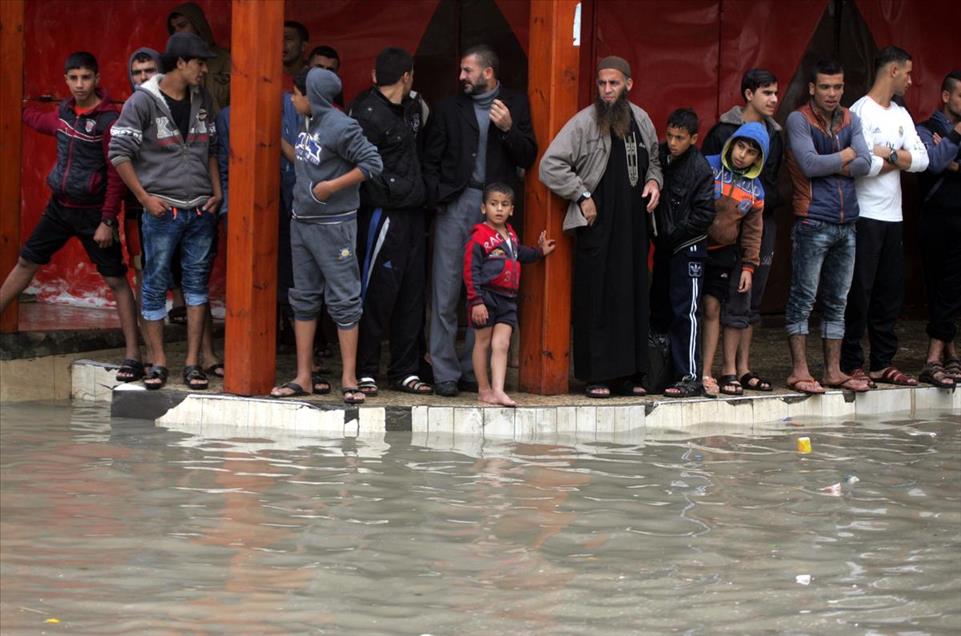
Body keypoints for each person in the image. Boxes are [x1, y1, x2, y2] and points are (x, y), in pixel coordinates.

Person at [1, 52, 142, 382]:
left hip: (94, 215)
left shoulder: (109, 121)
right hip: (59, 208)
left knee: (116, 281)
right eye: (74, 78)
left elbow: (115, 174)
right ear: (66, 80)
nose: (80, 84)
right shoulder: (63, 115)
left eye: (86, 78)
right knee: (26, 262)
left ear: (96, 79)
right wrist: (15, 104)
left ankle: (134, 354)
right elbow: (36, 120)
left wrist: (108, 220)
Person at [539, 55, 662, 398]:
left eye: (614, 83)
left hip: (634, 226)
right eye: (602, 84)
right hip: (597, 224)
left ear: (628, 85)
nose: (607, 90)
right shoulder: (583, 123)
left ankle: (632, 374)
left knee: (633, 294)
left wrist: (654, 182)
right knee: (598, 296)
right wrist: (581, 194)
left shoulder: (642, 119)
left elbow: (654, 161)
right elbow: (550, 166)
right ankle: (597, 376)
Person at [109, 32, 223, 391]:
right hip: (162, 211)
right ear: (181, 63)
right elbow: (118, 153)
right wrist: (144, 199)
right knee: (155, 285)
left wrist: (217, 192)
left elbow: (212, 148)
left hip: (201, 209)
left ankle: (192, 364)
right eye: (200, 62)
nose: (205, 69)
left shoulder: (202, 97)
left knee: (196, 287)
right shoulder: (141, 101)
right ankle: (158, 362)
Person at [421, 44, 537, 397]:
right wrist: (440, 198)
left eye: (467, 71)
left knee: (487, 289)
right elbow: (429, 160)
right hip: (457, 202)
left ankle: (473, 370)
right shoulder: (447, 108)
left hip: (495, 208)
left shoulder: (515, 104)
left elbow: (529, 155)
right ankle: (443, 371)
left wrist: (507, 129)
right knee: (445, 288)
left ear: (488, 72)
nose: (461, 77)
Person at [269, 68, 383, 404]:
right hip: (301, 222)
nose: (292, 99)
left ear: (313, 96)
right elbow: (308, 161)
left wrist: (331, 187)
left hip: (334, 225)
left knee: (344, 300)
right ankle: (303, 376)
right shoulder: (308, 122)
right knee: (303, 297)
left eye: (296, 94)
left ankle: (349, 378)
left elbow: (372, 163)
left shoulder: (340, 125)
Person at [784, 60, 873, 394]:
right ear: (812, 88)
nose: (832, 93)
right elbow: (808, 164)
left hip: (846, 222)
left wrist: (834, 163)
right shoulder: (799, 119)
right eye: (825, 87)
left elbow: (866, 164)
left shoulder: (852, 118)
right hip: (812, 219)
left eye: (837, 87)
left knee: (838, 300)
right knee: (803, 299)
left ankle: (833, 371)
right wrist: (847, 154)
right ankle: (799, 371)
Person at [843, 46, 929, 386]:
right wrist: (895, 158)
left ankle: (882, 362)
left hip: (894, 217)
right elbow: (861, 166)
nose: (911, 79)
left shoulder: (902, 114)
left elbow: (923, 160)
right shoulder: (858, 112)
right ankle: (852, 363)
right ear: (892, 71)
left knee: (889, 292)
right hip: (864, 215)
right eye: (907, 73)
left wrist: (887, 152)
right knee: (858, 291)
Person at [349, 48, 432, 396]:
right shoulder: (365, 112)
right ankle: (365, 369)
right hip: (382, 214)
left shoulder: (414, 108)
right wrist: (394, 193)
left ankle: (404, 369)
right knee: (377, 292)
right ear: (407, 76)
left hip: (414, 213)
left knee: (412, 292)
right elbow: (360, 165)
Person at [701, 68, 784, 393]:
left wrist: (749, 261)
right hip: (707, 246)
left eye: (777, 93)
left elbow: (771, 187)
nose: (774, 99)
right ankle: (705, 371)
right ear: (749, 94)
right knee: (707, 306)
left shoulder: (774, 138)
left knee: (745, 303)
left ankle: (736, 369)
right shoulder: (718, 141)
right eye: (767, 92)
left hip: (747, 235)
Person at [465, 183, 555, 406]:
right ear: (483, 208)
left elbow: (519, 253)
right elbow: (470, 270)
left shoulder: (511, 236)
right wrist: (476, 301)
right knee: (482, 343)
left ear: (511, 210)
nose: (499, 209)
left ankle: (499, 390)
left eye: (504, 205)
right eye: (494, 204)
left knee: (502, 344)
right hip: (485, 297)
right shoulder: (479, 237)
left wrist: (540, 251)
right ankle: (484, 389)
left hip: (508, 299)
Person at [650, 108, 716, 398]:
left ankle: (690, 375)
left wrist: (673, 235)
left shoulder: (700, 169)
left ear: (694, 138)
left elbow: (704, 215)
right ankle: (664, 373)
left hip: (687, 248)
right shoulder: (661, 157)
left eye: (680, 138)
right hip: (666, 247)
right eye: (670, 136)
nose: (673, 142)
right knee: (661, 311)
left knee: (686, 313)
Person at [701, 122, 767, 396]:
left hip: (724, 253)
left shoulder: (756, 190)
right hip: (692, 246)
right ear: (731, 144)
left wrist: (749, 266)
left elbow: (753, 231)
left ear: (758, 159)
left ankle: (706, 371)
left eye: (751, 152)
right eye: (740, 146)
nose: (742, 155)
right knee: (685, 308)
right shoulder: (707, 166)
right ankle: (686, 368)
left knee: (712, 307)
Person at [915, 70, 961, 388]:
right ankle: (950, 351)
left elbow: (947, 161)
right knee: (936, 285)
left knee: (952, 287)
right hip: (933, 217)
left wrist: (949, 156)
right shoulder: (924, 129)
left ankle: (934, 357)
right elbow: (931, 163)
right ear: (946, 96)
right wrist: (954, 137)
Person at [123, 47, 162, 363]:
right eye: (137, 73)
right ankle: (148, 355)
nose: (142, 78)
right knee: (144, 275)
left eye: (149, 70)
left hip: (180, 205)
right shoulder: (129, 111)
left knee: (190, 281)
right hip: (139, 207)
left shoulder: (178, 106)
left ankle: (202, 356)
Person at [166, 2, 230, 113]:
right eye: (173, 29)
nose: (177, 32)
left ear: (197, 25)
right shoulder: (172, 64)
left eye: (182, 26)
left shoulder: (225, 59)